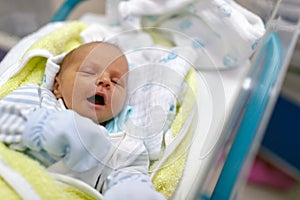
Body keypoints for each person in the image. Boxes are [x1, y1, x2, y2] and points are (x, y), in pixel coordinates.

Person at [0, 41, 165, 199]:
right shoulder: (38, 99)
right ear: (57, 87)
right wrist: (46, 126)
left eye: (116, 82)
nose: (105, 81)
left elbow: (130, 174)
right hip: (11, 180)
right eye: (88, 71)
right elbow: (4, 119)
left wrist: (132, 191)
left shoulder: (123, 144)